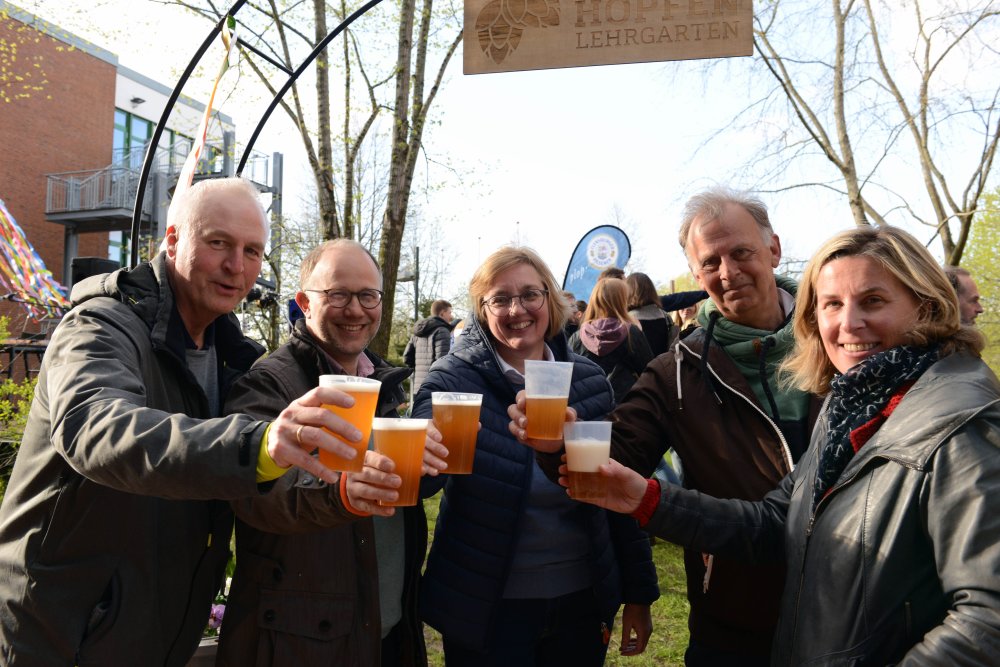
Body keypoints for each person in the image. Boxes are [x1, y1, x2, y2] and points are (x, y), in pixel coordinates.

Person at [562, 225, 1000, 665]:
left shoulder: (963, 421)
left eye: (873, 301)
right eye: (831, 304)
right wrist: (646, 498)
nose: (848, 324)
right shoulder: (855, 403)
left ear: (925, 305)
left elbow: (986, 623)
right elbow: (776, 522)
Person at [0, 178, 365, 665]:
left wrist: (343, 487)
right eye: (219, 243)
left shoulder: (234, 358)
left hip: (159, 627)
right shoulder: (100, 325)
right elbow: (95, 428)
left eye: (253, 251)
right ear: (172, 240)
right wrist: (253, 445)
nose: (237, 266)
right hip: (62, 629)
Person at [511, 186, 821, 667]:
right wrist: (558, 444)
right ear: (696, 274)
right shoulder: (676, 371)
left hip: (854, 606)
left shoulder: (839, 343)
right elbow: (610, 461)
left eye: (741, 253)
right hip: (736, 621)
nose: (729, 272)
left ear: (774, 249)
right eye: (711, 262)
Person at [413, 246, 659, 666]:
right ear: (481, 309)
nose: (517, 309)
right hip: (487, 607)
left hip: (581, 601)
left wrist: (639, 594)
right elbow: (421, 479)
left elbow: (616, 488)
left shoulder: (587, 379)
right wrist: (423, 453)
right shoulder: (453, 377)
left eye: (530, 294)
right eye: (500, 298)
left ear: (550, 300)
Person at [217, 240, 446, 666]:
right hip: (302, 642)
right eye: (337, 294)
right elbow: (258, 494)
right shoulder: (268, 384)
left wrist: (431, 463)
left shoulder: (381, 381)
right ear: (304, 302)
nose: (356, 310)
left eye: (367, 295)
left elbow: (389, 492)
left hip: (386, 628)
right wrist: (341, 492)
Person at [570, 277, 654, 403]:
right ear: (622, 301)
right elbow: (649, 373)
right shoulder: (631, 333)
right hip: (624, 408)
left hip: (586, 408)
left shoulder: (577, 337)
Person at [403, 299, 456, 394]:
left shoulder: (417, 333)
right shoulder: (442, 331)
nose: (451, 317)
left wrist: (418, 372)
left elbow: (407, 357)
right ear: (442, 313)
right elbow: (442, 362)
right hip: (435, 386)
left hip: (418, 387)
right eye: (449, 312)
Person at [625, 271, 676, 356]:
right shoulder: (665, 316)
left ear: (628, 291)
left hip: (638, 368)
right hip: (663, 366)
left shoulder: (626, 320)